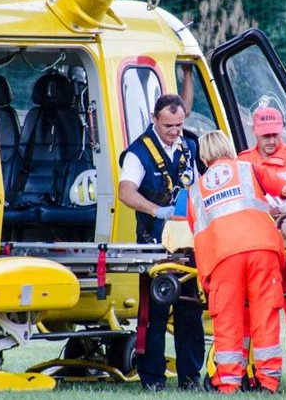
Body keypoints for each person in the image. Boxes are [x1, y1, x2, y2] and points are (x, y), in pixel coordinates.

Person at [186, 130, 286, 394]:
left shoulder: (196, 190)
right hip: (261, 250)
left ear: (204, 157)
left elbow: (195, 231)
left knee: (227, 320)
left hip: (222, 257)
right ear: (228, 148)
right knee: (264, 314)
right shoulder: (248, 169)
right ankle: (268, 382)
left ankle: (228, 383)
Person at [118, 93, 204, 391]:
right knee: (154, 313)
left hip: (187, 244)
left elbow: (197, 187)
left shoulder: (189, 146)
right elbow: (126, 192)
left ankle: (190, 377)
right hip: (154, 243)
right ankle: (152, 378)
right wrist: (156, 210)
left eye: (179, 124)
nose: (175, 131)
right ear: (155, 119)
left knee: (190, 311)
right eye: (169, 125)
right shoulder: (137, 153)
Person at [237, 106, 286, 387]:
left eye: (274, 134)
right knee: (251, 312)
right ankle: (248, 371)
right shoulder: (243, 162)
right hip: (258, 246)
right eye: (264, 135)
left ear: (281, 130)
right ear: (254, 132)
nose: (270, 141)